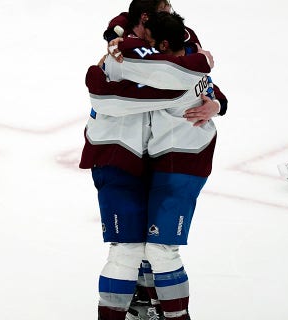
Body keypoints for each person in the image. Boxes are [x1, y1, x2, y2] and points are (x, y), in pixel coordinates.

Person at [82, 7, 227, 320]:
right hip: (121, 158)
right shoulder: (140, 61)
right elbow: (185, 76)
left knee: (156, 248)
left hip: (176, 161)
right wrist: (203, 74)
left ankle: (160, 308)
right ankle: (147, 304)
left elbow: (108, 90)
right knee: (132, 248)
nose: (170, 9)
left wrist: (214, 100)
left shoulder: (143, 64)